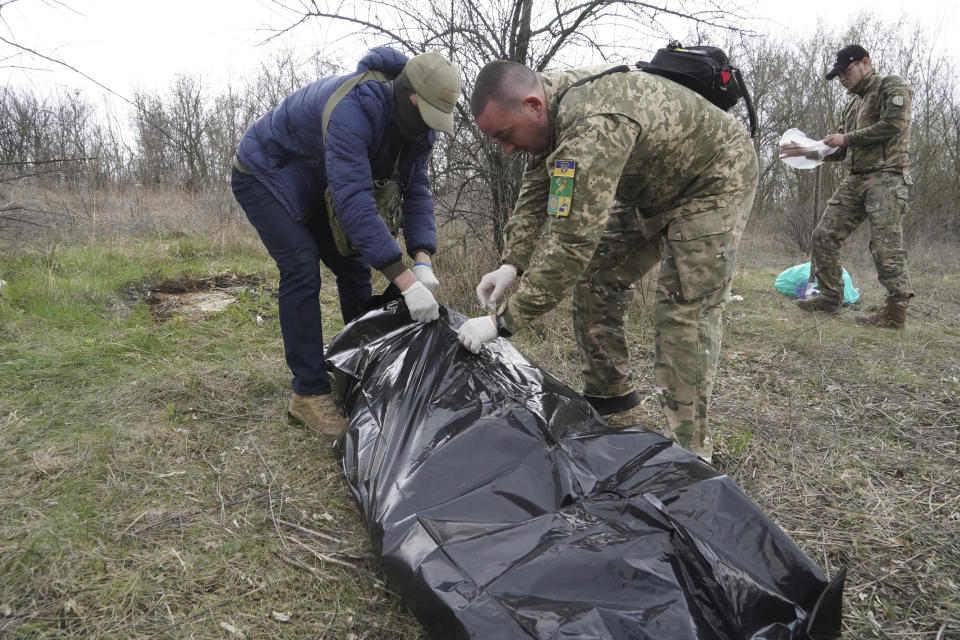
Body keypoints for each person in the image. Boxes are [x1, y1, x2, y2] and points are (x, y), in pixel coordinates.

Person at [456, 60, 758, 463]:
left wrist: (500, 323)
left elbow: (571, 245)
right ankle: (608, 392)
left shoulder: (592, 126)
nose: (506, 148)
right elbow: (536, 191)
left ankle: (690, 455)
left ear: (532, 105)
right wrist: (511, 264)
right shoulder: (553, 108)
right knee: (599, 274)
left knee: (684, 313)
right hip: (654, 190)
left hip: (713, 182)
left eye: (505, 135)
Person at [232, 47, 461, 436]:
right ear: (410, 97)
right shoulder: (354, 109)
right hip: (266, 173)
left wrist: (422, 260)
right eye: (427, 117)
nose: (430, 127)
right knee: (302, 265)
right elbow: (354, 200)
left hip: (318, 181)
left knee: (353, 266)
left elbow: (417, 190)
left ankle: (361, 364)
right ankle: (308, 393)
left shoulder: (420, 130)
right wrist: (404, 283)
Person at [781, 44, 914, 327]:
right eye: (838, 75)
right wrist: (811, 151)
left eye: (846, 71)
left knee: (885, 247)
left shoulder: (891, 86)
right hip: (855, 178)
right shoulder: (852, 104)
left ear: (865, 62)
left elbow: (893, 124)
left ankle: (895, 312)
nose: (842, 79)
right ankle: (831, 297)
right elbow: (841, 150)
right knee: (824, 236)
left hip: (887, 176)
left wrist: (847, 138)